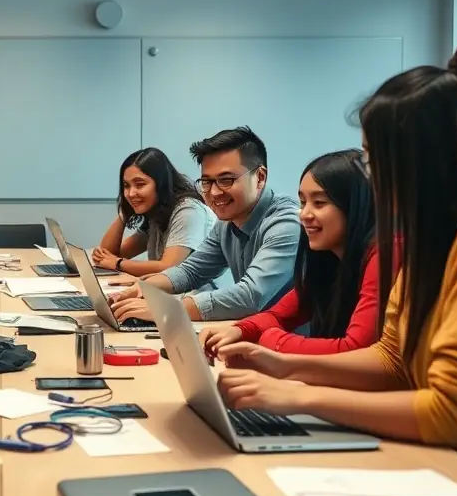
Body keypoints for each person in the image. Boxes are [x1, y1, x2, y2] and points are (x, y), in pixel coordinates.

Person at [216, 34, 457, 485]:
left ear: (422, 159)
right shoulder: (434, 232)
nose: (373, 179)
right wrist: (286, 366)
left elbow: (454, 414)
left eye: (375, 162)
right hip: (447, 463)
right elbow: (393, 359)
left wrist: (298, 395)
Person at [204, 149, 382, 357]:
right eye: (303, 202)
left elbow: (354, 350)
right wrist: (239, 330)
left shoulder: (381, 256)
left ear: (356, 205)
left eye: (319, 203)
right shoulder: (328, 260)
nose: (304, 214)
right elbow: (278, 315)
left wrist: (269, 340)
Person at [110, 127, 300, 322]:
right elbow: (190, 271)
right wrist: (144, 287)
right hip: (251, 330)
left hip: (291, 339)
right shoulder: (227, 224)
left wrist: (168, 309)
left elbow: (251, 295)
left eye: (226, 180)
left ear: (260, 177)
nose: (214, 192)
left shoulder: (286, 223)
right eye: (207, 182)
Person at [92, 147, 217, 278]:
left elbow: (169, 268)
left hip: (200, 290)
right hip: (166, 289)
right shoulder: (157, 212)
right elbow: (108, 256)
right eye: (126, 186)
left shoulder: (188, 211)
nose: (131, 193)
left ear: (161, 184)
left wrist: (117, 264)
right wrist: (125, 211)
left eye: (140, 184)